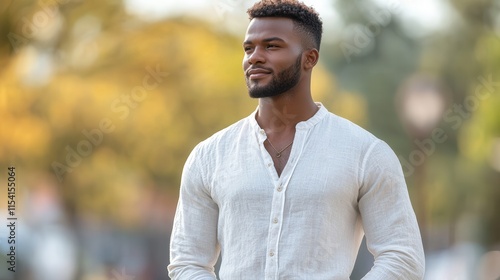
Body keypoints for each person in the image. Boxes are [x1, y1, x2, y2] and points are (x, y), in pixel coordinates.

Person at [168, 0, 425, 279]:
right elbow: (187, 263)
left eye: (272, 46)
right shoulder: (208, 156)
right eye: (248, 48)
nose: (254, 56)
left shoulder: (365, 154)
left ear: (309, 58)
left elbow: (402, 257)